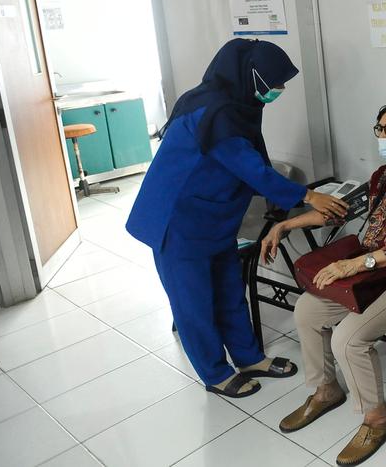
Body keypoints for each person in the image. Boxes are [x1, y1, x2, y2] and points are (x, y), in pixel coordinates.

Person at [127, 38, 348, 399]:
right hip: (177, 222)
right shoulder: (212, 110)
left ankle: (249, 358)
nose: (279, 89)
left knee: (230, 292)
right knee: (194, 303)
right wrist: (308, 196)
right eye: (274, 82)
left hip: (214, 218)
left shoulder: (241, 105)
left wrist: (284, 200)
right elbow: (249, 167)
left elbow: (254, 159)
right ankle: (215, 373)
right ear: (250, 75)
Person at [261, 101, 386, 466]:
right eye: (379, 128)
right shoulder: (385, 175)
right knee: (306, 311)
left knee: (349, 338)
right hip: (375, 270)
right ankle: (326, 389)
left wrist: (354, 263)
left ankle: (377, 416)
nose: (382, 136)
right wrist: (285, 225)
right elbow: (342, 211)